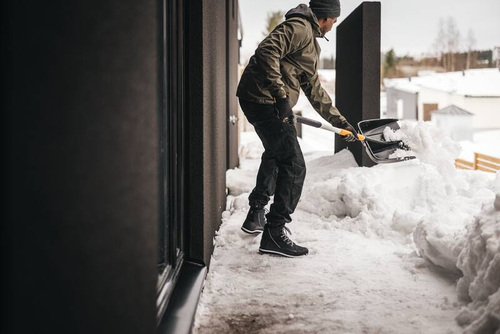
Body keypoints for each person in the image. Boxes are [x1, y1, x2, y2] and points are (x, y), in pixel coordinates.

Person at [236, 0, 358, 257]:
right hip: (265, 101)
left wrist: (339, 121)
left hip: (265, 101)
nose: (333, 26)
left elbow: (313, 87)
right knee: (294, 164)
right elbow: (266, 50)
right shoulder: (300, 28)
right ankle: (274, 233)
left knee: (276, 153)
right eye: (334, 21)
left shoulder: (309, 41)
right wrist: (281, 97)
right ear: (325, 17)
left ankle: (256, 213)